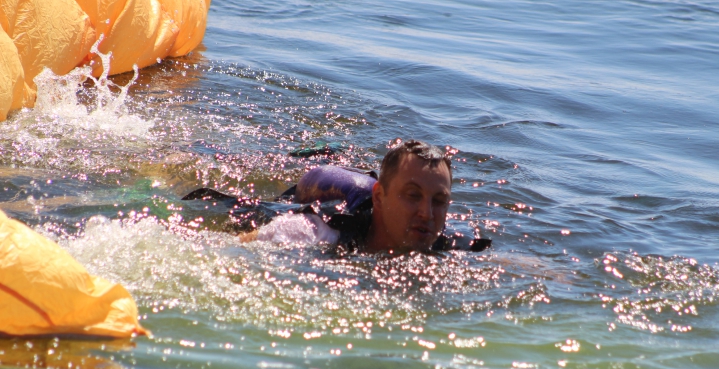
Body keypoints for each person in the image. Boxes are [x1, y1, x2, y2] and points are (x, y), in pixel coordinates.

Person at [184, 139, 490, 253]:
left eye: (439, 201)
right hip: (300, 202)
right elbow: (222, 248)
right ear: (379, 197)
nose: (427, 212)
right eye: (413, 195)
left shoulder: (446, 243)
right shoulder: (314, 231)